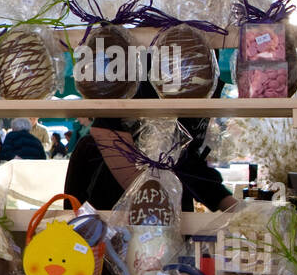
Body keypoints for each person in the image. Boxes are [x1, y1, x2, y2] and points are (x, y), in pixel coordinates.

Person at [64, 83, 237, 211]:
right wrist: (155, 208)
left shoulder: (209, 75)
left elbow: (187, 159)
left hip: (169, 204)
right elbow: (106, 130)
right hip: (118, 198)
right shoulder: (149, 60)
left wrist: (228, 203)